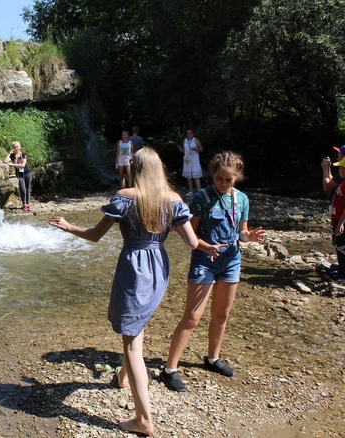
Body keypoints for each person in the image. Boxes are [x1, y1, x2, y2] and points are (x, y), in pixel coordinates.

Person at [49, 148, 198, 435]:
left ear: (135, 168)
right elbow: (191, 243)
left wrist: (68, 227)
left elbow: (94, 235)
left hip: (134, 267)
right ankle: (123, 375)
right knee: (134, 326)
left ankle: (144, 420)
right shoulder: (174, 200)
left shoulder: (126, 197)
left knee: (132, 342)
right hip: (158, 266)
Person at [160, 151, 265, 393]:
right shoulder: (201, 198)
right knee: (192, 317)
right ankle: (169, 370)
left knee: (222, 314)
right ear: (212, 176)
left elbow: (242, 234)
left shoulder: (242, 200)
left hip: (231, 261)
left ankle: (212, 358)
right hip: (204, 261)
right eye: (219, 178)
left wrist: (250, 238)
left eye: (229, 179)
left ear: (237, 177)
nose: (224, 183)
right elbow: (188, 234)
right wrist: (206, 247)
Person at [324, 156, 345, 282]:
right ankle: (341, 269)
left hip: (342, 221)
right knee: (338, 245)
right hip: (337, 218)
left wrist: (340, 224)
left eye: (341, 167)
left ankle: (343, 275)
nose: (340, 170)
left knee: (342, 246)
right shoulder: (342, 182)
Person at [4, 141, 32, 211]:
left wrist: (12, 164)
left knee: (28, 189)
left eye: (17, 147)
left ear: (20, 147)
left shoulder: (23, 154)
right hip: (19, 175)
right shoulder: (12, 156)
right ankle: (24, 204)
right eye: (15, 147)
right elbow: (5, 161)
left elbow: (23, 165)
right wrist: (10, 153)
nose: (17, 148)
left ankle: (28, 204)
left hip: (27, 173)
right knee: (23, 190)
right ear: (13, 148)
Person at [176, 128, 204, 197]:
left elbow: (201, 149)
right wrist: (179, 148)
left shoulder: (196, 140)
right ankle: (191, 191)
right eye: (187, 133)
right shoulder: (185, 140)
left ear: (193, 133)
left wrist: (196, 149)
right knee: (188, 176)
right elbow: (183, 151)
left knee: (195, 176)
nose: (189, 135)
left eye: (190, 133)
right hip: (187, 159)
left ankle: (199, 190)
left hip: (194, 159)